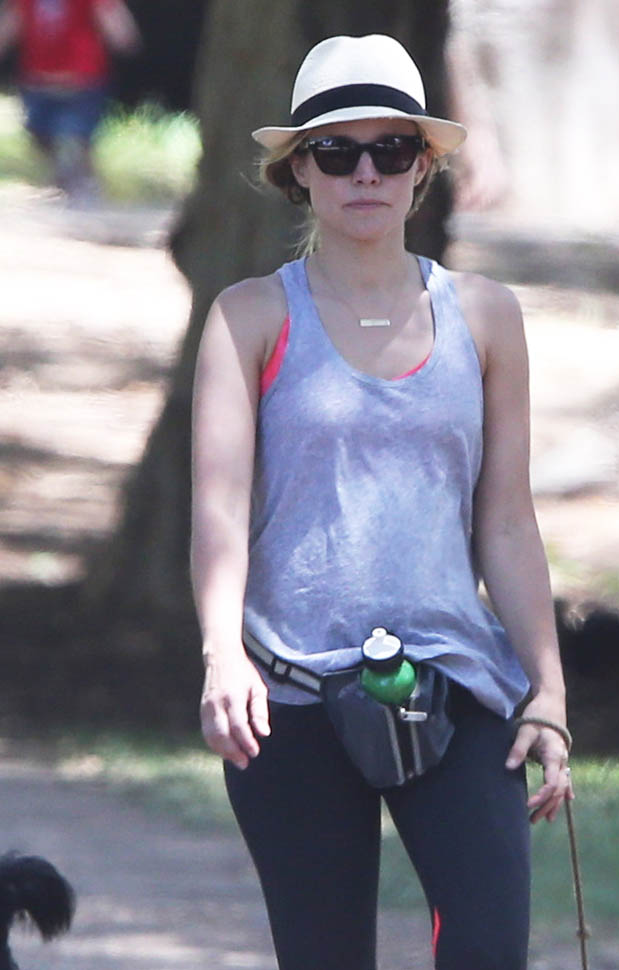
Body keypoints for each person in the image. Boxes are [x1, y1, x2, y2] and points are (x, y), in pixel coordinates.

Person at [190, 33, 572, 970]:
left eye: (391, 150)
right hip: (287, 692)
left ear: (423, 168)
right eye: (336, 151)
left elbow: (506, 519)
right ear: (298, 170)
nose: (365, 173)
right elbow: (218, 512)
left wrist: (549, 689)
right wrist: (222, 656)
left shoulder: (485, 314)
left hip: (456, 680)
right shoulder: (250, 315)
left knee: (488, 949)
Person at [0, 0, 140, 197]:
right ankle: (71, 180)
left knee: (74, 137)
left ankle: (81, 187)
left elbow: (113, 18)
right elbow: (12, 21)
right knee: (39, 134)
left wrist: (122, 36)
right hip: (38, 80)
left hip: (82, 81)